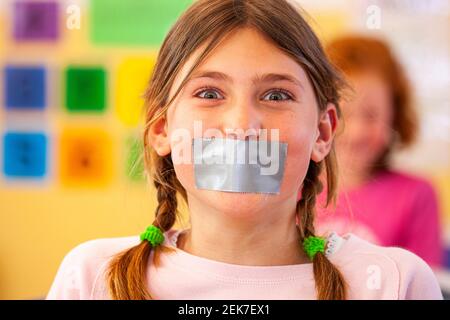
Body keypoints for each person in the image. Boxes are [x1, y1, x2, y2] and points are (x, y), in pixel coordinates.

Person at [46, 0, 442, 300]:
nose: (240, 127)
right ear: (162, 128)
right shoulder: (93, 278)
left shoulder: (395, 283)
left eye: (275, 94)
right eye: (209, 93)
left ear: (323, 132)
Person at [315, 36, 443, 267]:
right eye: (343, 115)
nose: (357, 132)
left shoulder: (416, 195)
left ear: (395, 116)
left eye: (372, 115)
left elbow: (422, 286)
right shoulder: (293, 191)